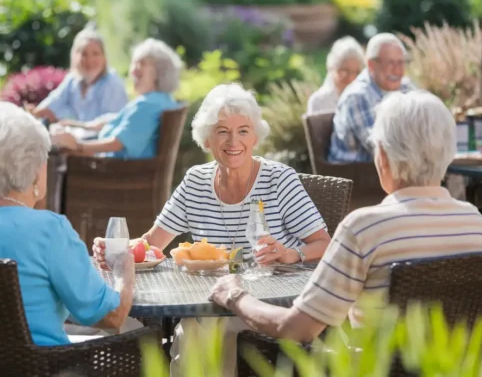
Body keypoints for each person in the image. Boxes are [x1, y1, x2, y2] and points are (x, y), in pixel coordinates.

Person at [209, 90, 482, 343]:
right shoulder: (474, 223)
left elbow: (297, 328)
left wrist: (235, 296)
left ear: (383, 156)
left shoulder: (364, 228)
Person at [92, 83, 331, 377]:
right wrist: (116, 250)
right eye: (222, 131)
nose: (234, 141)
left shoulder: (278, 180)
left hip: (268, 305)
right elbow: (153, 243)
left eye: (243, 130)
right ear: (207, 139)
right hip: (210, 302)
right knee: (197, 325)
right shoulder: (196, 181)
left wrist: (292, 254)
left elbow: (324, 244)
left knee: (202, 328)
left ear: (255, 136)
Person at [0, 102, 135, 346]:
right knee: (137, 334)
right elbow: (110, 316)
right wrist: (124, 273)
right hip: (46, 368)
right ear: (37, 171)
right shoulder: (49, 229)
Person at [51, 38, 181, 160]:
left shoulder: (146, 104)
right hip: (127, 173)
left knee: (55, 156)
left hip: (117, 176)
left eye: (142, 64)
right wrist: (82, 125)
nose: (134, 70)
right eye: (134, 63)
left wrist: (77, 145)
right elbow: (127, 122)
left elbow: (116, 144)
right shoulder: (163, 100)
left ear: (160, 71)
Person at [328, 33, 416, 163]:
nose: (397, 70)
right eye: (390, 63)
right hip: (356, 176)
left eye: (401, 62)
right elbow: (381, 149)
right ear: (371, 65)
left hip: (390, 170)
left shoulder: (405, 86)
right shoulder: (357, 97)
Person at [32, 29, 128, 125]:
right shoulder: (72, 80)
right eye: (84, 54)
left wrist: (74, 125)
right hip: (76, 136)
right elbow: (52, 103)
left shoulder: (112, 83)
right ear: (75, 56)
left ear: (104, 57)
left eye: (96, 53)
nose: (90, 60)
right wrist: (35, 112)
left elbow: (112, 124)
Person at [306, 36, 364, 115]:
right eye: (345, 71)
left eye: (356, 72)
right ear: (331, 68)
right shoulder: (318, 101)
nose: (351, 78)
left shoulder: (364, 96)